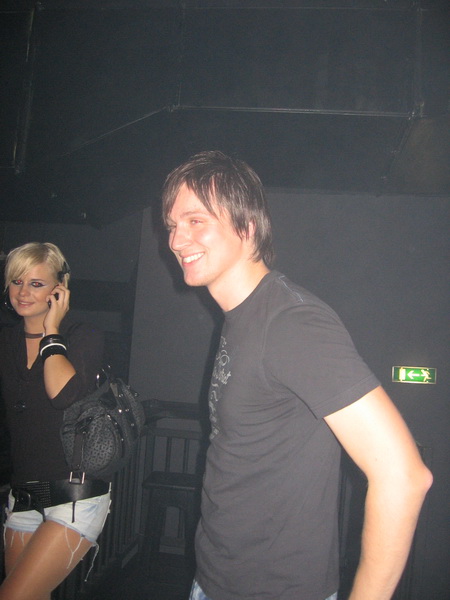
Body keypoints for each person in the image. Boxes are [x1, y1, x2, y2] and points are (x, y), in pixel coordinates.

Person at [161, 151, 433, 600]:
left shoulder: (291, 323)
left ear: (247, 227)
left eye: (195, 221)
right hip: (214, 579)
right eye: (172, 225)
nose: (176, 239)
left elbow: (403, 475)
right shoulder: (242, 318)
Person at [0, 242, 110, 600]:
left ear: (59, 289)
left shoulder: (83, 336)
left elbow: (62, 396)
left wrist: (51, 330)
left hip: (74, 495)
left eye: (36, 283)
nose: (23, 292)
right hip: (22, 494)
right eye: (16, 281)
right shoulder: (6, 340)